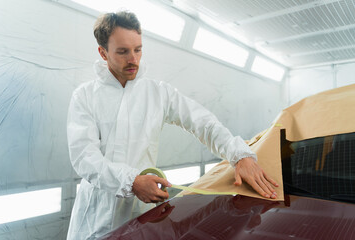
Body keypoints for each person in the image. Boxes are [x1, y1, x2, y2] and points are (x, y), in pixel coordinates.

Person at [66, 11, 278, 240]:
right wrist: (132, 181)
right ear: (103, 52)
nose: (133, 59)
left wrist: (239, 155)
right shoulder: (85, 97)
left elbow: (202, 123)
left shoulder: (157, 93)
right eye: (123, 51)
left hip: (144, 212)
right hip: (96, 218)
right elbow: (85, 157)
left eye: (138, 49)